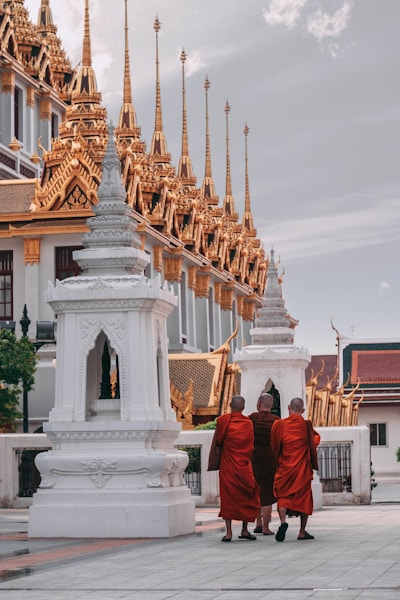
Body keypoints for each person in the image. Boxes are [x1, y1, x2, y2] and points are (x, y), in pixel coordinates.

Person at [271, 396, 320, 542]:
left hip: (285, 467)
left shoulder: (279, 425)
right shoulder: (306, 425)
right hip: (301, 468)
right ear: (303, 410)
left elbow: (274, 445)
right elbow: (315, 439)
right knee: (304, 498)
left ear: (288, 408)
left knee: (283, 496)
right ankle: (302, 531)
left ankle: (283, 522)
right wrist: (307, 449)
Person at [216, 395, 260, 542]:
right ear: (243, 407)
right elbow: (251, 445)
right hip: (244, 466)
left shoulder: (223, 421)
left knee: (228, 498)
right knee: (246, 495)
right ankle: (245, 529)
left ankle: (228, 533)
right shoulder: (247, 423)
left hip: (228, 466)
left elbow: (218, 441)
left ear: (230, 405)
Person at [249, 393, 280, 535]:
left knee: (257, 491)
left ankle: (258, 523)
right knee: (267, 494)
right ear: (272, 405)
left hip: (254, 458)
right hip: (270, 459)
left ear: (258, 403)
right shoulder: (276, 421)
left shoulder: (252, 419)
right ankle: (266, 527)